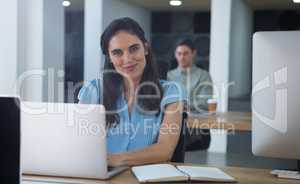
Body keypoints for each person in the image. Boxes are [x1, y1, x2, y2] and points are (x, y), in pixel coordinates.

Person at [78, 17, 187, 167]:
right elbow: (77, 143)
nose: (127, 59)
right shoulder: (94, 89)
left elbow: (164, 150)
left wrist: (113, 159)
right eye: (117, 52)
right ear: (109, 57)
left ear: (146, 49)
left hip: (147, 180)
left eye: (134, 49)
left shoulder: (171, 91)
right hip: (100, 176)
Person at [167, 38, 213, 151]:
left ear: (193, 53)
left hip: (198, 130)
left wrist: (178, 105)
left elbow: (204, 103)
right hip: (173, 128)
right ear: (175, 55)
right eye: (179, 54)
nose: (182, 57)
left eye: (186, 53)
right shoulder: (169, 76)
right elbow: (166, 102)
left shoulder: (204, 75)